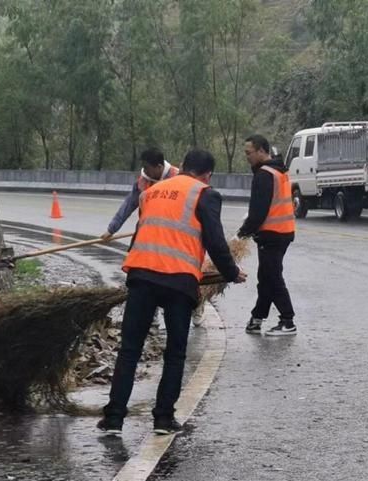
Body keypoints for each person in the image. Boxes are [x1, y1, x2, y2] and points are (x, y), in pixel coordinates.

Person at [97, 149, 246, 436]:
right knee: (175, 353)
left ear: (183, 166)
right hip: (178, 282)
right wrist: (231, 273)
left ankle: (114, 418)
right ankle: (163, 419)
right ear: (208, 175)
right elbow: (216, 243)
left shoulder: (151, 192)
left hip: (142, 276)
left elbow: (142, 234)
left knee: (129, 350)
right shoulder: (206, 194)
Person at [238, 134, 298, 337]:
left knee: (272, 277)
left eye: (249, 153)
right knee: (266, 277)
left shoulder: (264, 175)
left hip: (271, 234)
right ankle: (257, 318)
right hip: (284, 231)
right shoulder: (279, 170)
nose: (247, 156)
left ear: (262, 151)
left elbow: (258, 212)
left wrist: (242, 233)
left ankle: (288, 321)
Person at [99, 148, 179, 242]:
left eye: (146, 167)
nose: (144, 171)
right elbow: (128, 205)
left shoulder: (177, 178)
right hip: (147, 227)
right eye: (143, 167)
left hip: (169, 231)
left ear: (159, 167)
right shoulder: (143, 182)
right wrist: (111, 230)